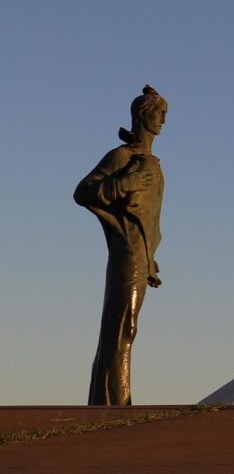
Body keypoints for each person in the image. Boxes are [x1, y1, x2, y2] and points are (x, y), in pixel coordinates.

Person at [74, 85, 168, 405]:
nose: (163, 121)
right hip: (125, 251)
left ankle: (111, 397)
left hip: (140, 253)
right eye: (159, 113)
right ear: (142, 115)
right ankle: (114, 401)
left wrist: (151, 256)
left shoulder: (152, 162)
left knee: (127, 326)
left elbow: (149, 218)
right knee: (122, 325)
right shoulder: (122, 156)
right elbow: (84, 191)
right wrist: (123, 183)